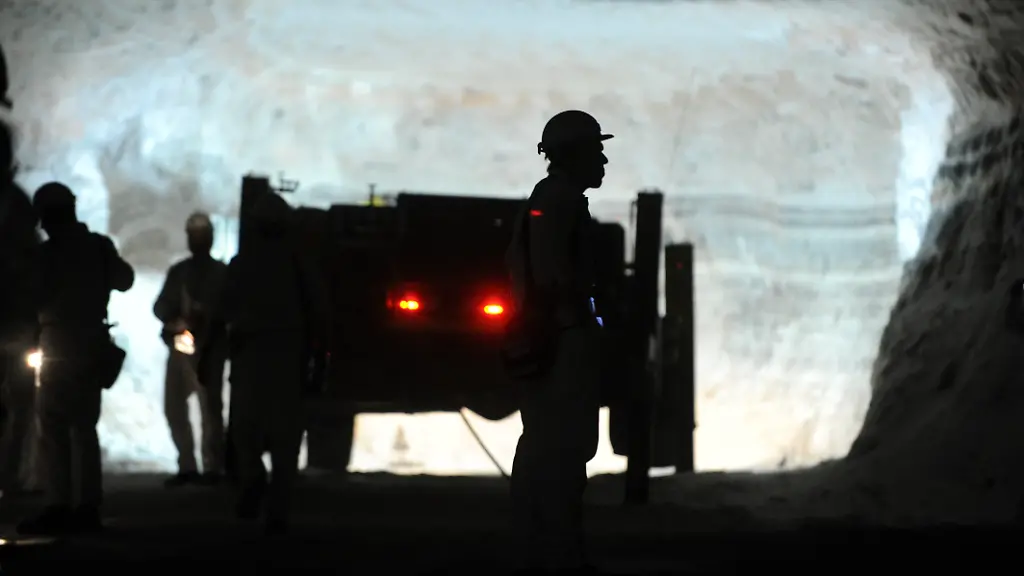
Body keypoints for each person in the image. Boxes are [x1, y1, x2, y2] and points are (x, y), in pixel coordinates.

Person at [505, 110, 610, 574]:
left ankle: (540, 548)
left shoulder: (551, 199)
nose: (603, 160)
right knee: (561, 451)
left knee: (547, 446)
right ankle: (554, 552)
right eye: (596, 150)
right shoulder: (558, 203)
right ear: (574, 154)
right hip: (561, 340)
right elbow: (553, 279)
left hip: (555, 337)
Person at [18, 182, 134, 535]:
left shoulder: (46, 255)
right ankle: (86, 507)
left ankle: (59, 505)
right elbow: (124, 279)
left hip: (56, 340)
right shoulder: (97, 246)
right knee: (84, 426)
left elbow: (29, 296)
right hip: (89, 340)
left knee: (53, 426)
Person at [224, 192, 326, 534]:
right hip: (286, 357)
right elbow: (319, 314)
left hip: (252, 355)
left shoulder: (242, 264)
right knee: (284, 438)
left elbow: (221, 310)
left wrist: (214, 353)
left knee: (246, 430)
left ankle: (254, 481)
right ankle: (277, 509)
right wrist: (318, 362)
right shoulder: (298, 264)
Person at [154, 212, 229, 487]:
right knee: (176, 406)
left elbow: (230, 310)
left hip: (210, 348)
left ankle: (212, 467)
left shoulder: (221, 274)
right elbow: (160, 306)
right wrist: (177, 320)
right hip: (184, 347)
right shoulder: (181, 272)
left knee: (210, 410)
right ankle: (190, 465)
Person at [0, 118, 40, 498]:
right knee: (18, 408)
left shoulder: (17, 204)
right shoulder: (17, 203)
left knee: (19, 407)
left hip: (15, 325)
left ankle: (11, 478)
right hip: (16, 326)